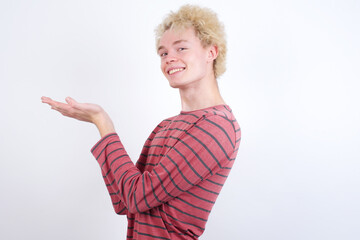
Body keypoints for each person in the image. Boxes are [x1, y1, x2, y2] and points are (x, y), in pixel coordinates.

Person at [42, 4, 241, 240]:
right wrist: (100, 124)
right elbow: (124, 202)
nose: (170, 58)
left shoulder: (217, 126)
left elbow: (136, 196)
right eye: (163, 52)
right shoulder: (165, 126)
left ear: (211, 52)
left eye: (182, 48)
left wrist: (102, 122)